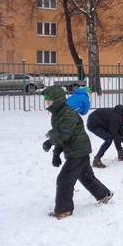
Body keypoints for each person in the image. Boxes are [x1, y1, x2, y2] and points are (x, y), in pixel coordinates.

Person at [41, 85, 113, 220]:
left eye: (49, 99)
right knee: (85, 175)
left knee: (64, 180)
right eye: (46, 99)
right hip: (76, 149)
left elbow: (65, 134)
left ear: (56, 100)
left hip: (78, 150)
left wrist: (50, 142)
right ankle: (104, 194)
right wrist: (56, 153)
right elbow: (60, 134)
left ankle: (64, 210)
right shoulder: (57, 114)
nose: (47, 102)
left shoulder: (68, 114)